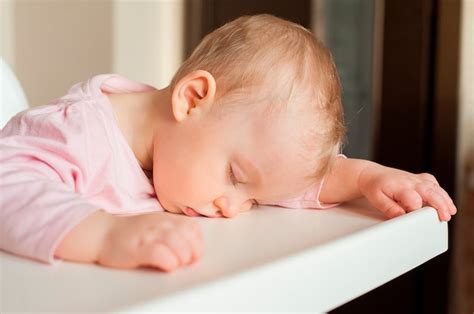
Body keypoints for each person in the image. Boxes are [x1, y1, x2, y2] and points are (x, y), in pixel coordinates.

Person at [0, 14, 456, 272]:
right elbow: (7, 184)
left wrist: (363, 176)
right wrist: (103, 235)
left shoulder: (189, 148)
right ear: (193, 98)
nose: (234, 206)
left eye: (251, 195)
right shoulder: (75, 133)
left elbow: (276, 173)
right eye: (235, 178)